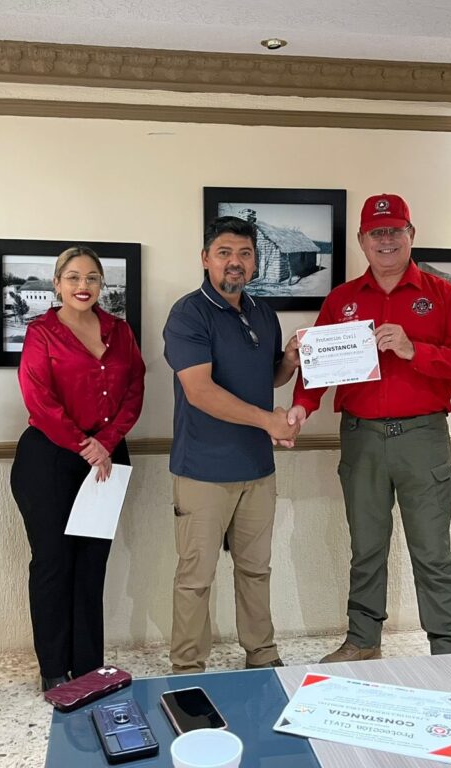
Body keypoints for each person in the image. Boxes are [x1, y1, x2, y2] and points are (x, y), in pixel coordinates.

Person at [288, 194, 451, 663]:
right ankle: (363, 641)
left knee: (432, 551)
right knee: (366, 547)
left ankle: (449, 649)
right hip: (361, 437)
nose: (386, 240)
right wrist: (301, 406)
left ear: (410, 235)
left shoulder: (441, 294)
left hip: (422, 437)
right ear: (362, 240)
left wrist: (415, 350)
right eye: (376, 232)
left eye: (395, 230)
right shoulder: (342, 300)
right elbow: (318, 366)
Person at [163, 215, 301, 674]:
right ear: (206, 259)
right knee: (196, 578)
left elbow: (269, 377)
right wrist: (269, 421)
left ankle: (262, 656)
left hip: (258, 469)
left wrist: (290, 362)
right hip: (203, 470)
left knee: (256, 570)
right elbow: (199, 391)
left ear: (255, 261)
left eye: (245, 254)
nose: (235, 262)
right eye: (224, 253)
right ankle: (187, 668)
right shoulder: (188, 314)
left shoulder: (263, 313)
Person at [10, 246, 145, 691]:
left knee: (91, 564)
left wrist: (106, 442)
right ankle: (53, 669)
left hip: (108, 457)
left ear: (101, 284)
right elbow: (38, 398)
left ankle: (88, 666)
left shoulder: (120, 331)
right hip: (49, 458)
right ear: (57, 284)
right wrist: (85, 446)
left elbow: (135, 387)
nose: (82, 286)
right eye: (73, 277)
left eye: (91, 278)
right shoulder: (41, 332)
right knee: (53, 563)